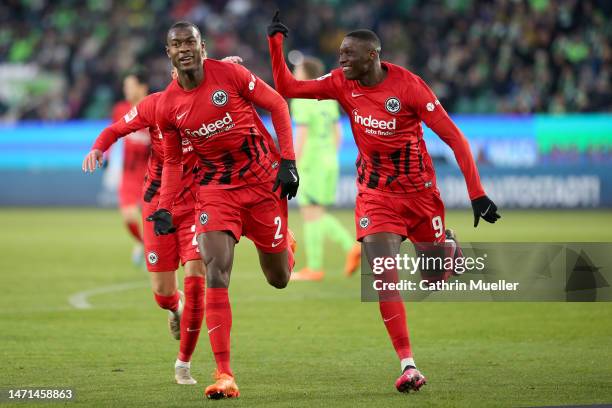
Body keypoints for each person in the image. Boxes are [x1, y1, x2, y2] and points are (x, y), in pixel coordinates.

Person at [267, 12, 500, 393]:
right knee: (384, 278)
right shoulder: (341, 83)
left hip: (421, 196)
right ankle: (408, 365)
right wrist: (275, 44)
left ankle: (449, 251)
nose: (340, 61)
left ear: (372, 56)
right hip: (376, 196)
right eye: (340, 54)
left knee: (433, 277)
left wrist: (477, 193)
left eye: (347, 54)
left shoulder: (410, 87)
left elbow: (455, 138)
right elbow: (288, 86)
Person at [148, 21, 299, 399]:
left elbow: (277, 104)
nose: (184, 49)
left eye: (190, 42)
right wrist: (165, 206)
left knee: (278, 278)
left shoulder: (230, 74)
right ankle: (224, 374)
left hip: (262, 184)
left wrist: (289, 161)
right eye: (176, 44)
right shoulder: (167, 105)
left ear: (202, 47)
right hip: (215, 191)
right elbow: (170, 162)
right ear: (169, 53)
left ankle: (287, 245)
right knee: (216, 272)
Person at [82, 90, 206, 386]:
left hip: (196, 205)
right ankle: (175, 307)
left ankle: (183, 365)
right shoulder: (153, 105)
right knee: (163, 295)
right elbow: (115, 129)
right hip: (156, 205)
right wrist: (99, 148)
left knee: (196, 279)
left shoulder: (208, 104)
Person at [289, 56, 360, 281]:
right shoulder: (328, 98)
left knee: (311, 214)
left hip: (310, 162)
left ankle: (319, 265)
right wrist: (329, 155)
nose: (293, 72)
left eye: (297, 68)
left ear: (306, 73)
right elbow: (338, 134)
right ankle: (341, 252)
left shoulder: (301, 99)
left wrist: (293, 163)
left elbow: (301, 136)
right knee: (317, 213)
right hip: (329, 161)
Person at [110, 70, 152, 265]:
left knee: (151, 220)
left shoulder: (153, 108)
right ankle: (144, 244)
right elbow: (113, 133)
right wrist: (106, 155)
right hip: (129, 174)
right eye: (125, 86)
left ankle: (153, 250)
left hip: (150, 174)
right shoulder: (120, 109)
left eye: (130, 85)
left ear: (142, 87)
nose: (126, 89)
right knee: (128, 217)